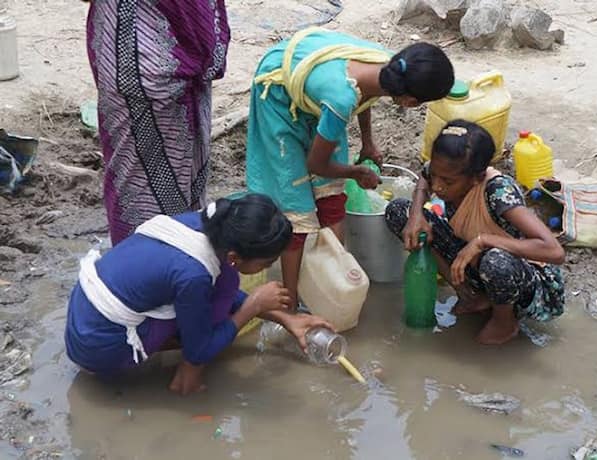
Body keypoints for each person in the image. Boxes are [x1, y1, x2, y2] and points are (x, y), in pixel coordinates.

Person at [246, 26, 455, 310]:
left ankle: (333, 282)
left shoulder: (391, 68)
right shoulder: (340, 98)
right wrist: (355, 172)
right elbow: (316, 164)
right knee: (295, 207)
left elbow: (364, 95)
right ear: (409, 102)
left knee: (331, 196)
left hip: (323, 85)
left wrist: (368, 142)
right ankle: (291, 303)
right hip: (279, 94)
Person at [65, 194, 332, 395]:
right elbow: (202, 343)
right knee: (209, 325)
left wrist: (287, 319)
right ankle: (184, 378)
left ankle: (182, 360)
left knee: (224, 286)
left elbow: (224, 291)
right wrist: (251, 308)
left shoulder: (207, 226)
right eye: (265, 263)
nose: (266, 268)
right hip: (97, 349)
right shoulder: (194, 274)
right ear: (235, 256)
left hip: (84, 318)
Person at [385, 120, 565, 345]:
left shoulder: (498, 192)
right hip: (473, 262)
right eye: (436, 177)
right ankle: (467, 293)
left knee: (496, 260)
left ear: (476, 177)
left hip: (522, 279)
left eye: (448, 181)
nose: (438, 187)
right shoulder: (442, 171)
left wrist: (483, 241)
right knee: (398, 211)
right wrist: (416, 215)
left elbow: (554, 251)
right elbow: (425, 175)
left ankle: (504, 322)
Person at [85, 0, 231, 245]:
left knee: (172, 179)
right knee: (143, 191)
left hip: (145, 55)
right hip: (149, 64)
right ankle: (148, 266)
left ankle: (172, 258)